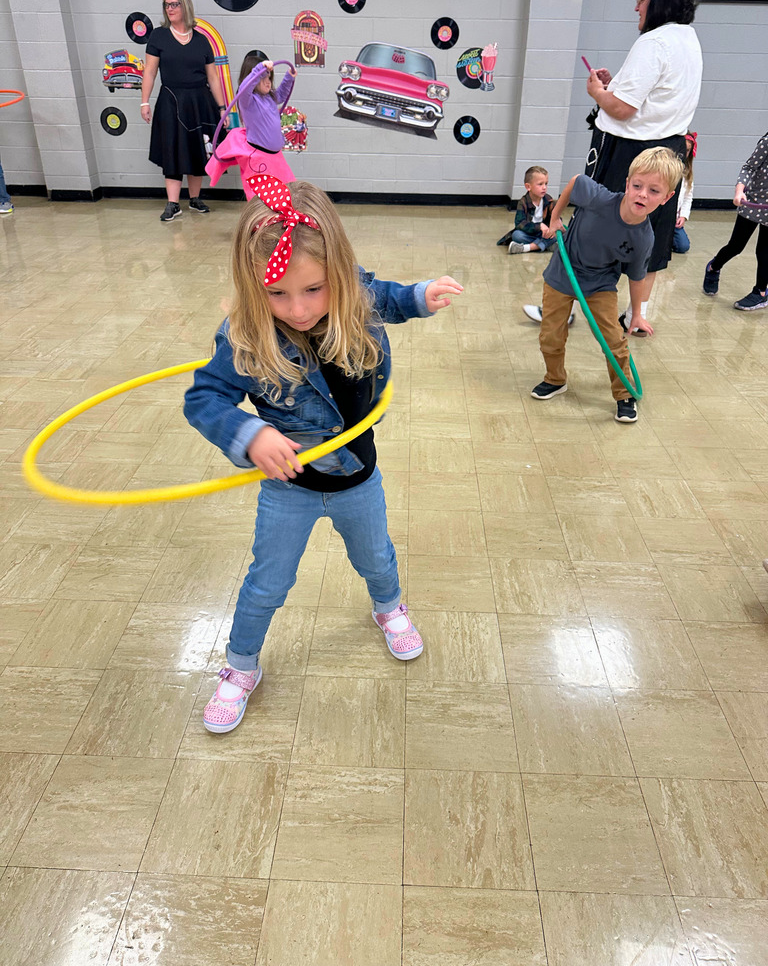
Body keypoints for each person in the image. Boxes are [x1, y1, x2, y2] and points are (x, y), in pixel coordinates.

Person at [184, 174, 463, 733]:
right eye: (277, 293)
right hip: (290, 487)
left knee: (377, 558)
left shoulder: (354, 293)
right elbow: (203, 397)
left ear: (335, 274)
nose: (298, 309)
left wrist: (420, 296)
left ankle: (389, 608)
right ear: (251, 284)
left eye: (314, 289)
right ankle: (240, 666)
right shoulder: (242, 335)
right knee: (267, 582)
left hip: (358, 477)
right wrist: (249, 434)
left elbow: (387, 296)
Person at [585, 0, 702, 334]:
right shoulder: (688, 38)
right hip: (669, 153)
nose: (637, 6)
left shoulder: (654, 42)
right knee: (652, 236)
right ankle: (637, 315)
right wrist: (612, 85)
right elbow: (651, 97)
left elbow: (622, 109)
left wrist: (597, 93)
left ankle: (572, 307)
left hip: (630, 154)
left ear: (660, 0)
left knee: (594, 229)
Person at [528, 147, 681, 424]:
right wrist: (554, 217)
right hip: (564, 272)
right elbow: (575, 182)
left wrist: (637, 313)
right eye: (637, 186)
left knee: (613, 340)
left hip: (600, 284)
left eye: (654, 191)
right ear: (627, 183)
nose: (643, 194)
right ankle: (555, 379)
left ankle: (624, 393)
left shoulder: (644, 238)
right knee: (550, 335)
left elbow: (636, 278)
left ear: (667, 198)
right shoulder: (600, 199)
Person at [140, 0, 228, 222]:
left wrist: (222, 109)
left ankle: (195, 199)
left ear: (185, 6)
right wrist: (144, 102)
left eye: (174, 4)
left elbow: (213, 78)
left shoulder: (201, 41)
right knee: (172, 150)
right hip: (171, 100)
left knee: (198, 149)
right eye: (167, 5)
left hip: (200, 101)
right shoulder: (158, 36)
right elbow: (149, 72)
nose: (170, 9)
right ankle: (172, 203)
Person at [206, 52, 297, 198]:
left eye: (269, 77)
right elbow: (245, 87)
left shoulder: (270, 97)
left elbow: (282, 94)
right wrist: (259, 69)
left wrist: (289, 77)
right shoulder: (247, 101)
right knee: (262, 199)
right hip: (259, 158)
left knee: (288, 193)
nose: (268, 82)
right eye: (263, 78)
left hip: (275, 157)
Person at [702, 132, 768, 311]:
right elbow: (749, 168)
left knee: (764, 252)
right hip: (754, 202)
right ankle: (713, 267)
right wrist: (740, 190)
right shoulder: (767, 142)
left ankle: (760, 293)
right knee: (736, 246)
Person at [497, 166, 555, 253]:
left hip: (544, 234)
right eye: (540, 184)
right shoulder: (523, 202)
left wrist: (552, 229)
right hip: (529, 233)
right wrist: (539, 226)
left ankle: (526, 248)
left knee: (560, 234)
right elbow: (520, 224)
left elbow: (556, 218)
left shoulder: (549, 200)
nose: (544, 187)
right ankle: (545, 245)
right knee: (517, 235)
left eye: (546, 184)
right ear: (528, 187)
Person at [672, 129, 696, 253]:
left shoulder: (687, 173)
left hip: (675, 218)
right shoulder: (667, 168)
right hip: (661, 217)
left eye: (687, 150)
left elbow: (688, 197)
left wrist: (683, 216)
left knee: (683, 247)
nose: (683, 153)